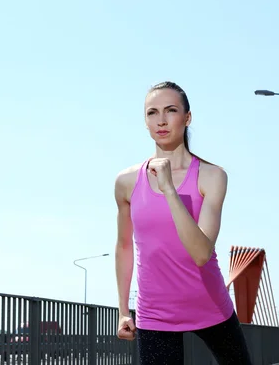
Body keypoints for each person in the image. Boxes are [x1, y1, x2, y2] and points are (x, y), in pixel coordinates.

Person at [114, 81, 252, 364]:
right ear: (145, 122)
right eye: (152, 113)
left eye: (171, 110)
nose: (161, 120)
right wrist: (123, 310)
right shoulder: (126, 182)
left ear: (187, 118)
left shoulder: (212, 176)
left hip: (211, 306)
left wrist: (169, 191)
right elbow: (124, 246)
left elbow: (202, 253)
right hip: (155, 314)